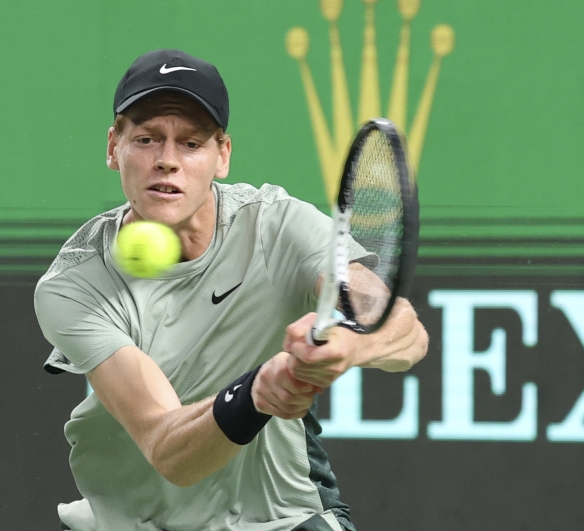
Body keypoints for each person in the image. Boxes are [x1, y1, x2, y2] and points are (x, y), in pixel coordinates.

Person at [34, 48, 429, 531]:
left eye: (191, 144)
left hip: (280, 519)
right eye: (147, 138)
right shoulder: (76, 284)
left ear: (222, 155)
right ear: (114, 147)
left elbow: (404, 331)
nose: (167, 161)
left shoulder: (276, 226)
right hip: (133, 522)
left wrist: (349, 341)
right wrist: (258, 392)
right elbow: (170, 451)